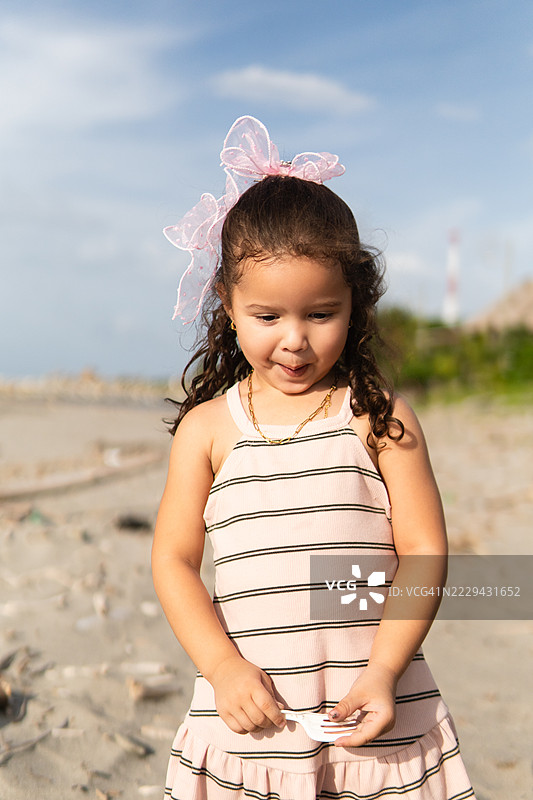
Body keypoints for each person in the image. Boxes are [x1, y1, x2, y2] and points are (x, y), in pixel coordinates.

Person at [152, 116, 476, 799]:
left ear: (353, 305)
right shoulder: (208, 431)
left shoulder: (379, 418)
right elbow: (173, 562)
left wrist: (384, 671)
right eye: (268, 317)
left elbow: (422, 552)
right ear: (228, 308)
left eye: (320, 314)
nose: (294, 340)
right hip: (249, 722)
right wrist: (222, 668)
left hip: (374, 718)